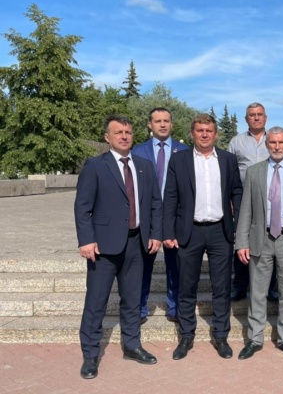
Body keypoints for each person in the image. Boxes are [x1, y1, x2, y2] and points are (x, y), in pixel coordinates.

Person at [74, 115, 163, 379]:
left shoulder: (144, 166)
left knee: (132, 299)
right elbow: (82, 207)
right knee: (96, 301)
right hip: (103, 247)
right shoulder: (95, 166)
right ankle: (90, 354)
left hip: (137, 243)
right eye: (118, 132)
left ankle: (132, 345)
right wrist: (86, 240)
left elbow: (155, 203)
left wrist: (155, 233)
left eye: (128, 132)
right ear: (107, 137)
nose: (124, 136)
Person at [162, 114, 243, 360]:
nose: (204, 134)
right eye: (200, 130)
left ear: (215, 134)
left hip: (220, 231)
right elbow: (171, 196)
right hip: (189, 231)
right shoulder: (179, 160)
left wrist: (238, 224)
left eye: (208, 130)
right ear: (192, 133)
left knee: (222, 286)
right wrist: (168, 231)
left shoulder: (228, 159)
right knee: (186, 286)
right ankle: (186, 335)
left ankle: (221, 335)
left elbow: (237, 192)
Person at [235, 126, 283, 360]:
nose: (277, 147)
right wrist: (242, 242)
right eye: (272, 143)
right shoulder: (254, 171)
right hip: (260, 239)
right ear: (267, 144)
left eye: (281, 143)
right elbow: (246, 209)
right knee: (257, 291)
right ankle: (255, 338)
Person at [131, 107, 188, 324]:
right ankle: (139, 309)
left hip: (175, 216)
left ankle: (174, 308)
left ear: (172, 124)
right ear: (150, 124)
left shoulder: (185, 151)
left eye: (166, 121)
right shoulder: (138, 151)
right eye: (158, 121)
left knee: (176, 265)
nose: (162, 124)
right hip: (147, 217)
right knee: (142, 265)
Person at [228, 103, 283, 301]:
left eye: (259, 114)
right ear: (246, 119)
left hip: (271, 199)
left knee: (271, 240)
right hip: (243, 197)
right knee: (242, 239)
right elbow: (229, 172)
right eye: (252, 115)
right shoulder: (236, 142)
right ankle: (239, 286)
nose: (256, 118)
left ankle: (271, 287)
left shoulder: (274, 139)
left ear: (265, 118)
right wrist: (230, 200)